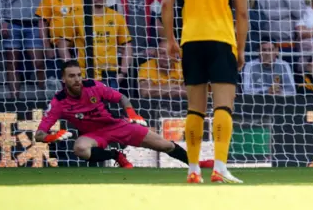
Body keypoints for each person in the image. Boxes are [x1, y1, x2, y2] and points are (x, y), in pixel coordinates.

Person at [162, 0, 250, 184]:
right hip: (221, 40)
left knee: (195, 109)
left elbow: (166, 5)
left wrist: (170, 41)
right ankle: (220, 167)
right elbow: (243, 13)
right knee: (223, 105)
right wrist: (241, 49)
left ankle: (192, 169)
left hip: (191, 41)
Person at [35, 60, 196, 169]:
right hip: (93, 135)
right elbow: (39, 134)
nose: (77, 79)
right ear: (63, 79)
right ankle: (115, 155)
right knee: (80, 149)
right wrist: (51, 137)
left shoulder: (93, 86)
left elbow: (122, 98)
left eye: (79, 75)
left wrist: (131, 112)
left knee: (165, 145)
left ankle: (195, 165)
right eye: (71, 76)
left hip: (116, 125)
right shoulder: (58, 101)